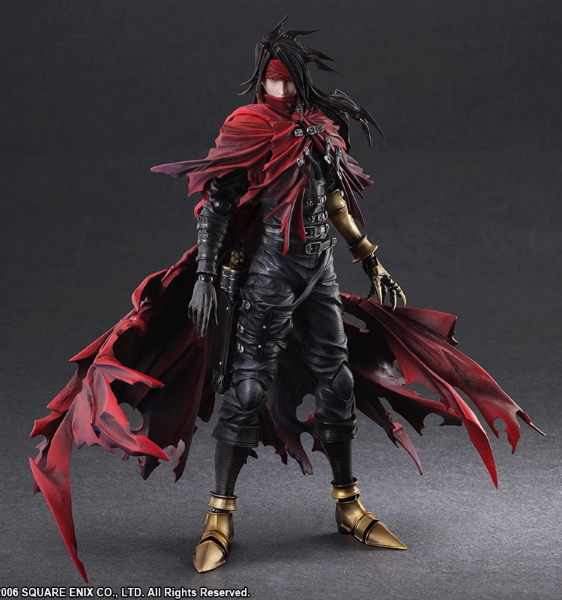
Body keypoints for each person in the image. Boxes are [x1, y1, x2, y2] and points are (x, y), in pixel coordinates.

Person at [30, 17, 542, 582]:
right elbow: (217, 205)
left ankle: (348, 503)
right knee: (247, 389)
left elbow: (334, 203)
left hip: (319, 271)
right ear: (262, 83)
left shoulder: (321, 129)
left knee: (339, 383)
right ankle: (219, 516)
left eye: (289, 81)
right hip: (270, 270)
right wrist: (206, 275)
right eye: (274, 82)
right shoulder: (248, 127)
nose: (282, 90)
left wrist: (370, 259)